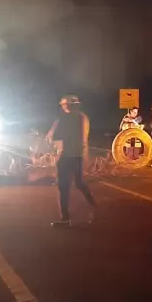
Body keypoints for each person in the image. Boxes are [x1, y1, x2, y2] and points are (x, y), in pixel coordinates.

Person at [47, 96, 97, 227]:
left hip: (70, 155)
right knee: (79, 183)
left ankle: (65, 218)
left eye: (65, 105)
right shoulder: (81, 117)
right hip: (77, 155)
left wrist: (60, 155)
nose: (64, 107)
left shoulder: (73, 118)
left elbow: (60, 136)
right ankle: (94, 206)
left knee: (64, 186)